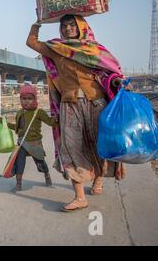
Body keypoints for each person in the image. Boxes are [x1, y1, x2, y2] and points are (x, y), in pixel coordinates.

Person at [26, 14, 126, 212]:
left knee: (100, 145)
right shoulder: (56, 49)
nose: (68, 28)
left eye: (72, 24)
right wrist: (38, 22)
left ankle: (98, 179)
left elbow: (112, 72)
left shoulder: (94, 49)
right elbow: (31, 42)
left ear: (81, 26)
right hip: (69, 105)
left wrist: (116, 82)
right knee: (70, 149)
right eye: (64, 25)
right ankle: (80, 197)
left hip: (97, 104)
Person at [1, 84, 58, 191]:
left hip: (35, 143)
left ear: (35, 99)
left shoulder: (39, 112)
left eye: (29, 98)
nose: (26, 101)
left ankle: (46, 174)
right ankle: (18, 183)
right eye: (23, 98)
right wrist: (6, 124)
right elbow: (18, 128)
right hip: (22, 143)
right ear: (20, 99)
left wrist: (57, 118)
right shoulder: (20, 113)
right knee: (20, 162)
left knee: (40, 161)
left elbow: (51, 123)